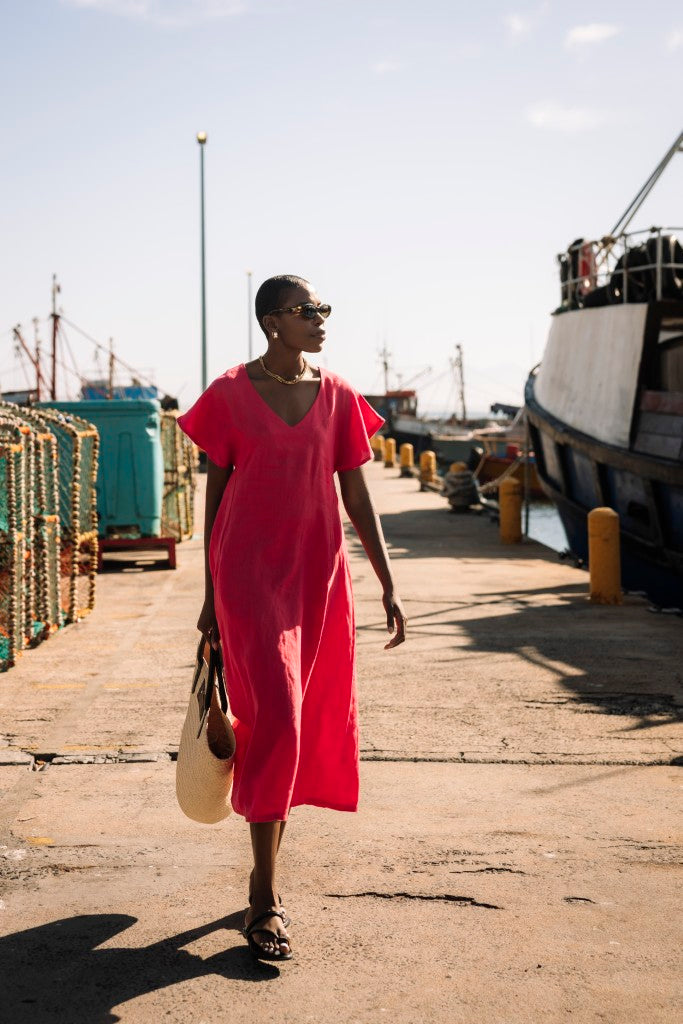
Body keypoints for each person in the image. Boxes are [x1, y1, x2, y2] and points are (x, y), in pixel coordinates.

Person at [178, 274, 406, 962]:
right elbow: (213, 503)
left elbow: (358, 499)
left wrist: (388, 583)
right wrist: (208, 595)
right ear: (272, 321)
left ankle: (262, 874)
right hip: (248, 580)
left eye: (323, 309)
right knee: (276, 712)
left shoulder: (337, 397)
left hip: (315, 582)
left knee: (298, 725)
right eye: (308, 310)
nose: (320, 319)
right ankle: (265, 901)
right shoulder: (228, 395)